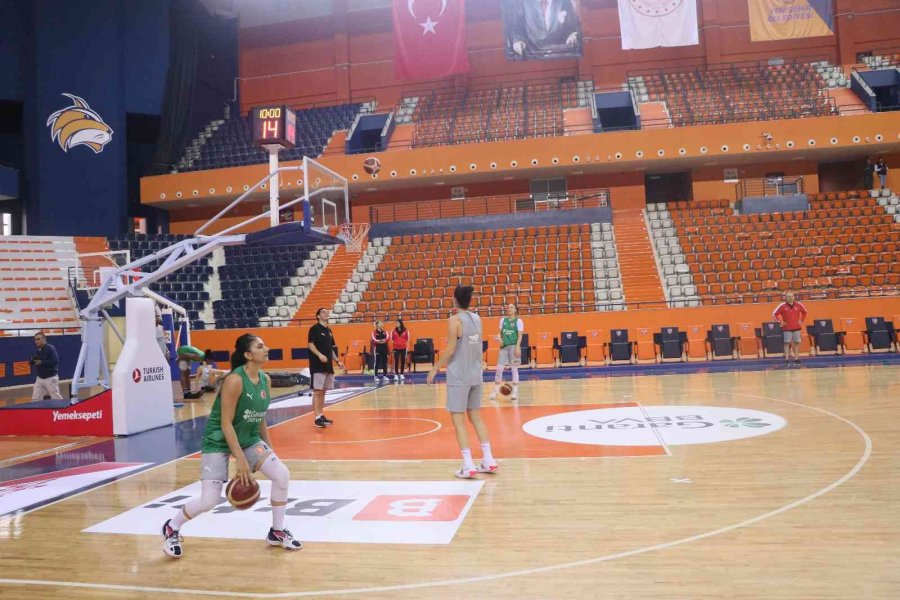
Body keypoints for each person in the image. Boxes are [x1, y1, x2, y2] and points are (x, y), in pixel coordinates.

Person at [161, 334, 301, 558]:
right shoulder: (235, 381)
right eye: (260, 346)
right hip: (218, 439)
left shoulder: (265, 380)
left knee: (281, 474)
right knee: (210, 500)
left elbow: (260, 417)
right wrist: (242, 462)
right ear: (248, 355)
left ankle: (276, 531)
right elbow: (226, 423)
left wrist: (269, 448)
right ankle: (172, 527)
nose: (267, 348)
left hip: (249, 437)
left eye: (265, 344)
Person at [427, 285, 498, 479]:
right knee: (476, 417)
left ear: (455, 300)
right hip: (476, 374)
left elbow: (450, 349)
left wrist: (434, 368)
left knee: (458, 419)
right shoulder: (478, 319)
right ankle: (489, 459)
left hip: (459, 375)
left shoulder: (454, 320)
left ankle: (468, 465)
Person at [504, 0, 582, 59]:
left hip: (559, 56)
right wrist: (518, 41)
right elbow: (517, 29)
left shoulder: (564, 2)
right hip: (532, 57)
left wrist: (572, 35)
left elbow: (573, 26)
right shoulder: (523, 3)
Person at [308, 308, 344, 428]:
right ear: (318, 316)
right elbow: (310, 344)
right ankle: (317, 417)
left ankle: (321, 414)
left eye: (327, 312)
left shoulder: (329, 330)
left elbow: (331, 349)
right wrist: (319, 355)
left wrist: (337, 361)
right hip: (317, 365)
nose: (326, 313)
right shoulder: (314, 329)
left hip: (328, 366)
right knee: (317, 391)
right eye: (323, 312)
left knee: (323, 392)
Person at [490, 303, 524, 400]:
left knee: (514, 369)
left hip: (513, 346)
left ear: (515, 310)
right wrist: (499, 338)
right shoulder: (502, 320)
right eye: (508, 307)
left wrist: (517, 347)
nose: (509, 308)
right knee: (499, 368)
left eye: (511, 307)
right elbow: (499, 333)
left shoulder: (519, 321)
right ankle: (495, 391)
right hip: (503, 347)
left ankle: (515, 392)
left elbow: (520, 335)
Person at [773, 291, 808, 368]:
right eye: (788, 296)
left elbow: (805, 312)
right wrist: (780, 321)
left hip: (797, 327)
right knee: (786, 343)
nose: (790, 298)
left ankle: (796, 359)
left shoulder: (799, 305)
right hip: (786, 328)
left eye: (792, 296)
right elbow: (774, 314)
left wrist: (801, 320)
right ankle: (786, 360)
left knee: (796, 343)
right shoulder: (782, 306)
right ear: (785, 298)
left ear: (794, 297)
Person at [30, 332, 62, 402]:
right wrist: (32, 361)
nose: (36, 341)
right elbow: (36, 360)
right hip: (40, 378)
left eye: (38, 339)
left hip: (50, 378)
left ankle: (62, 411)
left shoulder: (50, 348)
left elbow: (55, 361)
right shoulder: (38, 350)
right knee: (35, 399)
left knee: (56, 398)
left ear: (44, 339)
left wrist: (41, 362)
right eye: (35, 339)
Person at [391, 318, 410, 383]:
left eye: (397, 323)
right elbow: (392, 339)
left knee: (402, 361)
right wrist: (396, 343)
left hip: (403, 348)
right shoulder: (393, 331)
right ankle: (396, 374)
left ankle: (401, 374)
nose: (396, 324)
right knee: (396, 361)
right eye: (396, 323)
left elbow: (407, 339)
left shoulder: (406, 330)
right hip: (396, 348)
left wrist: (403, 343)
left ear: (401, 323)